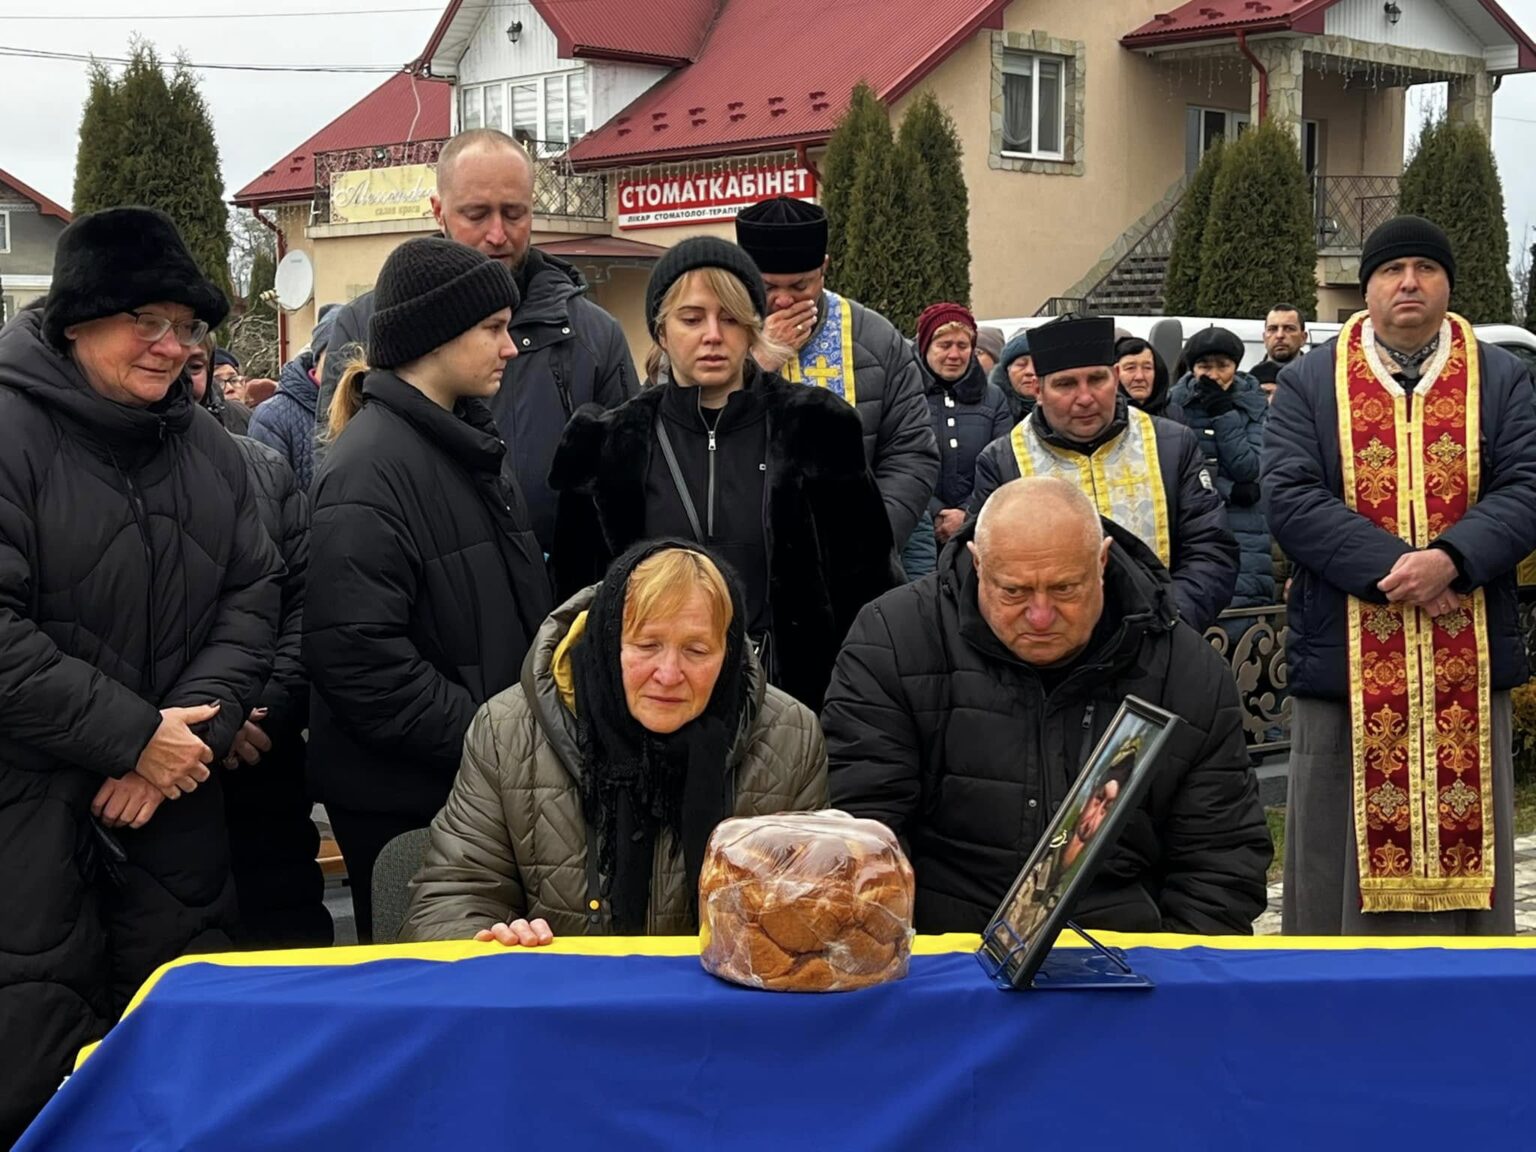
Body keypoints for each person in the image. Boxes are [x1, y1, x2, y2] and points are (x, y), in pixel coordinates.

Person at [0, 207, 282, 1143]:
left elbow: (253, 597)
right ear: (79, 319)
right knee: (38, 1084)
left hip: (178, 824)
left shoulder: (210, 451)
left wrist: (179, 746)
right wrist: (131, 735)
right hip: (28, 832)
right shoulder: (7, 431)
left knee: (181, 1079)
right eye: (145, 323)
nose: (171, 348)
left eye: (186, 325)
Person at [822, 477, 1271, 934]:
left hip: (1130, 957)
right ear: (978, 563)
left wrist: (1170, 985)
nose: (1039, 616)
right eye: (1013, 592)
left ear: (1102, 562)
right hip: (944, 957)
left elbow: (1220, 858)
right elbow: (868, 839)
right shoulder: (894, 642)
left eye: (1065, 590)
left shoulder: (1184, 669)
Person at [1266, 215, 1536, 935]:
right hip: (1343, 656)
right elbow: (1289, 496)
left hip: (1468, 657)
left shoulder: (1501, 377)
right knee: (1333, 846)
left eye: (1424, 268)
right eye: (1392, 270)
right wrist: (1400, 571)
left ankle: (1469, 1004)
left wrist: (1452, 559)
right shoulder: (1310, 380)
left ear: (1448, 282)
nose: (1408, 282)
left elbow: (1528, 486)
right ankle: (1332, 1007)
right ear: (1369, 287)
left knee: (1474, 832)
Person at [303, 237, 554, 942]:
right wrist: (492, 739)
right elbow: (359, 662)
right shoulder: (372, 468)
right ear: (436, 335)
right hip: (409, 802)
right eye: (493, 329)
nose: (511, 349)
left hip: (467, 786)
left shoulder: (465, 447)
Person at [401, 542, 829, 943]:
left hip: (722, 1009)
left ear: (730, 652)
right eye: (646, 645)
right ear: (607, 642)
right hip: (559, 1004)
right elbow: (450, 897)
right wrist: (495, 942)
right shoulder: (508, 731)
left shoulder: (790, 738)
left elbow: (819, 910)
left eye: (697, 651)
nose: (668, 674)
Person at [550, 237, 898, 711]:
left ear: (753, 328)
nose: (713, 334)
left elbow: (868, 585)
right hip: (651, 704)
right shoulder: (605, 444)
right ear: (662, 331)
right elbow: (577, 601)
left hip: (792, 703)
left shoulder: (818, 427)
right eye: (692, 319)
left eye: (730, 317)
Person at [316, 129, 637, 552]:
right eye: (477, 214)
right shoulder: (365, 326)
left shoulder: (594, 336)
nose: (498, 234)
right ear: (438, 211)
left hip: (566, 606)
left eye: (514, 213)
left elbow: (631, 491)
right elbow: (341, 489)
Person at [970, 315, 1239, 632]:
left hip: (1156, 640)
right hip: (1048, 646)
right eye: (1065, 384)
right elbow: (985, 568)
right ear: (1038, 391)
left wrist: (1169, 618)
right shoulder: (1004, 460)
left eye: (1097, 380)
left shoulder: (1171, 445)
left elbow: (1211, 548)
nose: (1085, 398)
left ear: (1115, 377)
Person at [734, 197, 940, 571]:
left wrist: (870, 541)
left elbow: (911, 453)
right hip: (745, 562)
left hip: (858, 562)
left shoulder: (876, 338)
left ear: (824, 268)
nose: (783, 300)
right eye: (766, 287)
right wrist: (757, 365)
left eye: (800, 285)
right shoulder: (713, 336)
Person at [223, 435, 332, 948]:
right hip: (144, 765)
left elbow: (307, 605)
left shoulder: (266, 470)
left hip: (265, 750)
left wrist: (260, 709)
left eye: (194, 359)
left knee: (284, 940)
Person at [1171, 327, 1273, 610]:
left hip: (1246, 527)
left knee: (1244, 613)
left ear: (1235, 367)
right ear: (1192, 369)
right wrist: (1228, 488)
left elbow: (1249, 469)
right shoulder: (1175, 406)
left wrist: (1222, 413)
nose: (1214, 376)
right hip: (1193, 522)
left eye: (1223, 366)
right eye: (1205, 367)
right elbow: (1182, 472)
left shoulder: (1255, 405)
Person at [915, 302, 1011, 552]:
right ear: (926, 347)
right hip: (916, 530)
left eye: (963, 345)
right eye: (944, 345)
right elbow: (899, 460)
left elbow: (1001, 463)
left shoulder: (994, 398)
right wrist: (935, 511)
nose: (954, 355)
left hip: (979, 530)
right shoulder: (906, 395)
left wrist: (967, 514)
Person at [249, 303, 337, 491]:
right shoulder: (272, 418)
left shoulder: (368, 408)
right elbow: (268, 499)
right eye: (338, 348)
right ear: (319, 353)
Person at [1115, 336, 1184, 423]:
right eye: (1130, 368)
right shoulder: (1107, 416)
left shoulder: (1174, 414)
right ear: (1114, 373)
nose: (1139, 377)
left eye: (1147, 368)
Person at [1254, 303, 1308, 399]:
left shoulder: (1319, 380)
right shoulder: (1251, 381)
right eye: (1272, 329)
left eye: (1289, 329)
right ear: (1264, 338)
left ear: (1303, 338)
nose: (1279, 335)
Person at [990, 330, 1037, 425]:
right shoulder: (990, 410)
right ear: (1007, 371)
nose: (1030, 371)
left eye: (1038, 364)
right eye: (1021, 365)